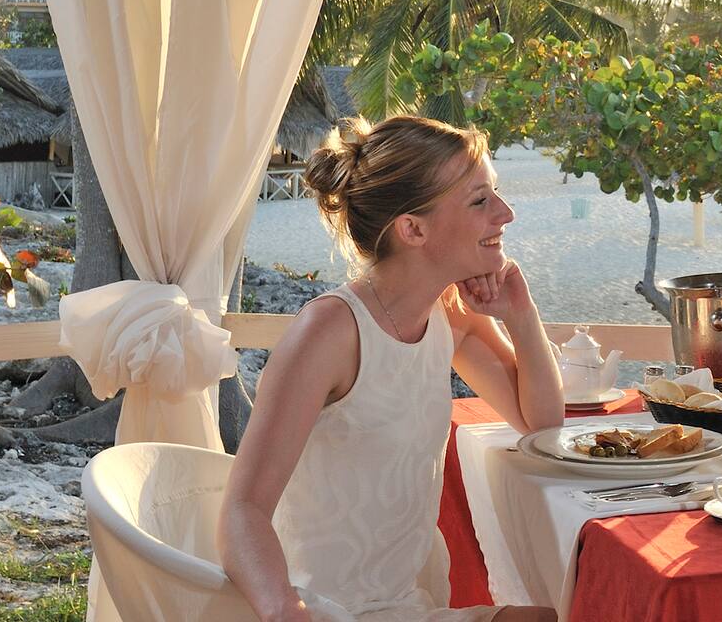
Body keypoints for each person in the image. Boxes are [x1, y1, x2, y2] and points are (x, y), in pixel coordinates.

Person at [221, 116, 560, 622]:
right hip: (327, 610)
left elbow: (542, 423)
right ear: (413, 229)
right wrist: (283, 610)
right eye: (479, 200)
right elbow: (242, 512)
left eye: (497, 194)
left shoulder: (451, 317)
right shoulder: (329, 334)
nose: (505, 214)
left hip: (409, 606)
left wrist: (521, 314)